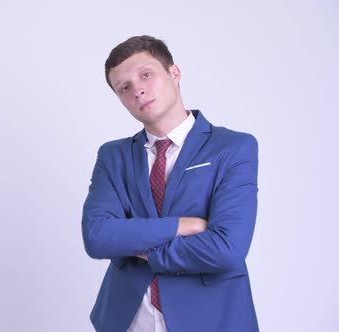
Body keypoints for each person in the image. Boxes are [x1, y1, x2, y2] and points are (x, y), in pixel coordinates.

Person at [81, 35, 259, 332]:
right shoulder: (112, 155)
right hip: (127, 318)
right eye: (124, 88)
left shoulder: (233, 147)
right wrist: (181, 226)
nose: (137, 89)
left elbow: (227, 248)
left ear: (174, 73)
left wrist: (145, 252)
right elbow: (97, 237)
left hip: (211, 317)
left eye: (146, 75)